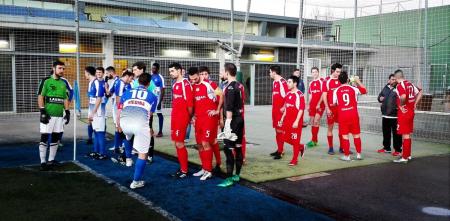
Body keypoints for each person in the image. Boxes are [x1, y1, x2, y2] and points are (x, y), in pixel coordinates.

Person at [117, 73, 158, 189]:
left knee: (128, 136)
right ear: (149, 84)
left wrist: (118, 124)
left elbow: (119, 108)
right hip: (140, 125)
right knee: (143, 154)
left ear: (137, 81)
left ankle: (128, 158)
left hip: (124, 123)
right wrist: (149, 128)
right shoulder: (152, 96)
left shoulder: (127, 92)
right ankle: (136, 181)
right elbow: (149, 115)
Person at [38, 60, 70, 170]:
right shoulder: (46, 81)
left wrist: (67, 111)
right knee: (44, 137)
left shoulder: (63, 83)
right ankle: (43, 162)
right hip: (48, 115)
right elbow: (40, 96)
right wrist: (42, 111)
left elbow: (65, 98)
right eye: (60, 68)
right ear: (53, 68)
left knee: (56, 138)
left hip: (59, 116)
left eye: (63, 68)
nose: (62, 70)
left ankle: (51, 160)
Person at [217, 63, 245, 187]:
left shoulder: (229, 88)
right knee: (238, 147)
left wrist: (227, 124)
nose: (222, 73)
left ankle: (228, 179)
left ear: (227, 73)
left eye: (223, 71)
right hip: (240, 119)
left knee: (228, 149)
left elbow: (229, 107)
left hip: (232, 120)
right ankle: (237, 175)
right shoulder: (240, 85)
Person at [188, 67, 217, 181]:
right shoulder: (192, 86)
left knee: (205, 143)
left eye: (195, 78)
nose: (193, 81)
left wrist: (217, 110)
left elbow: (221, 96)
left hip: (209, 119)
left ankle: (209, 170)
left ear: (199, 75)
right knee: (199, 144)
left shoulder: (210, 84)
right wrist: (193, 116)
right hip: (198, 120)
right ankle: (204, 168)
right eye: (191, 79)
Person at [332, 72, 367, 161]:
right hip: (353, 115)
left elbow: (334, 103)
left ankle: (347, 156)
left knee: (345, 136)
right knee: (356, 135)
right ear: (348, 79)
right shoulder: (354, 88)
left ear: (339, 81)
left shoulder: (336, 91)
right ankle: (359, 154)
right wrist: (358, 81)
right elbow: (364, 90)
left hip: (343, 116)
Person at [169, 63, 193, 178]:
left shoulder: (185, 84)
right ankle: (182, 167)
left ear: (179, 71)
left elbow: (190, 104)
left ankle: (184, 170)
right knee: (176, 143)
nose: (171, 73)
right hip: (175, 117)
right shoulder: (174, 85)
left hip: (182, 118)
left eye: (172, 71)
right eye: (170, 71)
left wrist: (189, 117)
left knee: (180, 143)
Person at [393, 70, 422, 163]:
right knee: (408, 134)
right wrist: (415, 104)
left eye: (394, 78)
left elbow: (403, 96)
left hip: (404, 113)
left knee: (405, 135)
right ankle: (408, 155)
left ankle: (404, 157)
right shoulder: (410, 84)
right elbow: (420, 92)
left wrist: (401, 105)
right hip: (411, 112)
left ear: (396, 78)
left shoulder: (400, 85)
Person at [199, 66, 224, 173]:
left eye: (206, 74)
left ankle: (217, 163)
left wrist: (220, 116)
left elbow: (221, 98)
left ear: (208, 74)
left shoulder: (212, 84)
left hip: (212, 119)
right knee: (211, 141)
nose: (204, 76)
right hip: (201, 120)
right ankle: (214, 164)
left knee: (211, 141)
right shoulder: (196, 85)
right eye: (202, 74)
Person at [132, 62, 156, 163]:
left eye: (135, 70)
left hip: (146, 113)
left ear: (142, 69)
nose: (133, 72)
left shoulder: (150, 82)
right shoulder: (136, 81)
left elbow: (154, 98)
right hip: (137, 112)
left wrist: (149, 113)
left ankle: (150, 154)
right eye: (133, 70)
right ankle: (139, 150)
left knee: (148, 131)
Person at [279, 75, 306, 166]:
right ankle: (301, 147)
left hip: (295, 122)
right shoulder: (288, 94)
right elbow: (287, 108)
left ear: (295, 83)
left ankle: (294, 160)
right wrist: (282, 118)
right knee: (284, 138)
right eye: (287, 82)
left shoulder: (300, 95)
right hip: (287, 120)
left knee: (295, 141)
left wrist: (297, 121)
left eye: (289, 82)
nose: (287, 83)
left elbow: (301, 109)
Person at [110, 70, 134, 166]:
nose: (131, 80)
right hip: (121, 110)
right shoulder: (120, 83)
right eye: (131, 78)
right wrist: (121, 112)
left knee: (123, 130)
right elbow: (118, 100)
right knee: (121, 129)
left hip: (124, 110)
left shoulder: (125, 84)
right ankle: (120, 150)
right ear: (127, 76)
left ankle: (121, 151)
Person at [321, 63, 345, 155]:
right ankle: (330, 148)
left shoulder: (341, 80)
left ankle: (342, 147)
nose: (339, 73)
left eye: (340, 71)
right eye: (337, 71)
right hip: (331, 109)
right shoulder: (326, 81)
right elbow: (324, 96)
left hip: (341, 109)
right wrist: (327, 108)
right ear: (332, 71)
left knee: (342, 129)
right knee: (330, 128)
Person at [377, 74, 402, 156]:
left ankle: (398, 149)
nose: (393, 81)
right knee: (386, 133)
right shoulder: (386, 87)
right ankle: (386, 148)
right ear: (389, 80)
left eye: (395, 79)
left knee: (396, 134)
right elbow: (380, 96)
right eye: (392, 79)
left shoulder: (398, 88)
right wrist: (380, 98)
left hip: (395, 116)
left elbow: (402, 99)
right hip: (385, 115)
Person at [269, 65, 288, 160]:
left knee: (280, 130)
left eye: (270, 72)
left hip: (281, 111)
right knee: (277, 130)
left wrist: (284, 107)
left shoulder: (282, 82)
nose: (269, 74)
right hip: (275, 110)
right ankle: (280, 149)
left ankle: (280, 151)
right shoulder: (274, 82)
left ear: (274, 72)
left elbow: (287, 96)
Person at [88, 67, 108, 160]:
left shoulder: (101, 83)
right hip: (94, 110)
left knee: (100, 132)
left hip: (99, 112)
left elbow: (100, 98)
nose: (98, 74)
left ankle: (102, 153)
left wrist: (93, 112)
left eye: (100, 72)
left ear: (103, 73)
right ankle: (96, 152)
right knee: (96, 131)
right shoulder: (93, 82)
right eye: (97, 72)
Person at [306, 67, 325, 148]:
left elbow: (323, 94)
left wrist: (319, 104)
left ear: (318, 72)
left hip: (320, 105)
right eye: (313, 72)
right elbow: (310, 95)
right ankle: (314, 140)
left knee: (316, 121)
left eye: (316, 72)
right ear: (311, 73)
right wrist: (308, 104)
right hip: (312, 105)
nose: (314, 73)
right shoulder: (311, 83)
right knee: (312, 122)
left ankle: (314, 140)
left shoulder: (322, 81)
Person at [151, 63, 166, 137]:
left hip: (157, 99)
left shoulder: (160, 77)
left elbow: (163, 90)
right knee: (150, 114)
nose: (152, 69)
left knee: (159, 114)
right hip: (151, 98)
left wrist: (160, 102)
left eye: (154, 68)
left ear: (158, 69)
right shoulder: (151, 76)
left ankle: (160, 131)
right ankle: (151, 129)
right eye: (152, 68)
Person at [84, 66, 96, 145]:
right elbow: (90, 95)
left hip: (97, 107)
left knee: (97, 124)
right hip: (91, 105)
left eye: (85, 73)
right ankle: (90, 138)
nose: (84, 75)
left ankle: (99, 138)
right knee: (90, 121)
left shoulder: (96, 82)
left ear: (88, 73)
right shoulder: (90, 82)